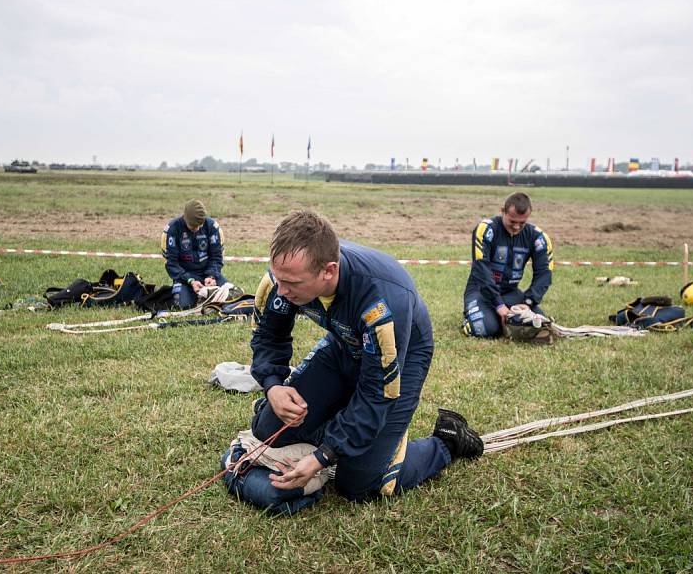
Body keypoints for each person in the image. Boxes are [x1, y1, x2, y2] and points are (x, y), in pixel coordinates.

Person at [220, 210, 483, 514]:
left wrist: (323, 456)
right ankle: (338, 422)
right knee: (268, 429)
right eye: (278, 278)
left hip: (402, 358)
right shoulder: (282, 279)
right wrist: (273, 386)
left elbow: (376, 392)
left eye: (291, 282)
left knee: (360, 484)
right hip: (345, 345)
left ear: (328, 271)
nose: (281, 290)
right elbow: (268, 337)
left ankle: (447, 443)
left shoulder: (381, 304)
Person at [462, 192, 553, 338]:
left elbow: (544, 273)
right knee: (485, 329)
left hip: (511, 293)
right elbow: (481, 269)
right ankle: (475, 318)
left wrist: (528, 302)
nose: (517, 227)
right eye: (512, 221)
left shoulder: (538, 237)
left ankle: (500, 318)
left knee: (538, 325)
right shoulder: (486, 229)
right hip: (481, 292)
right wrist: (498, 304)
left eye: (522, 223)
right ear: (502, 211)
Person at [161, 199, 230, 308]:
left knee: (231, 297)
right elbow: (171, 264)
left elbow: (217, 257)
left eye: (200, 225)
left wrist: (211, 276)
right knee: (181, 305)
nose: (197, 229)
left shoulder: (212, 226)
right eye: (193, 226)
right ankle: (199, 296)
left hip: (208, 275)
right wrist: (190, 280)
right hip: (185, 279)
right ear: (185, 219)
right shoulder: (173, 229)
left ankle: (207, 294)